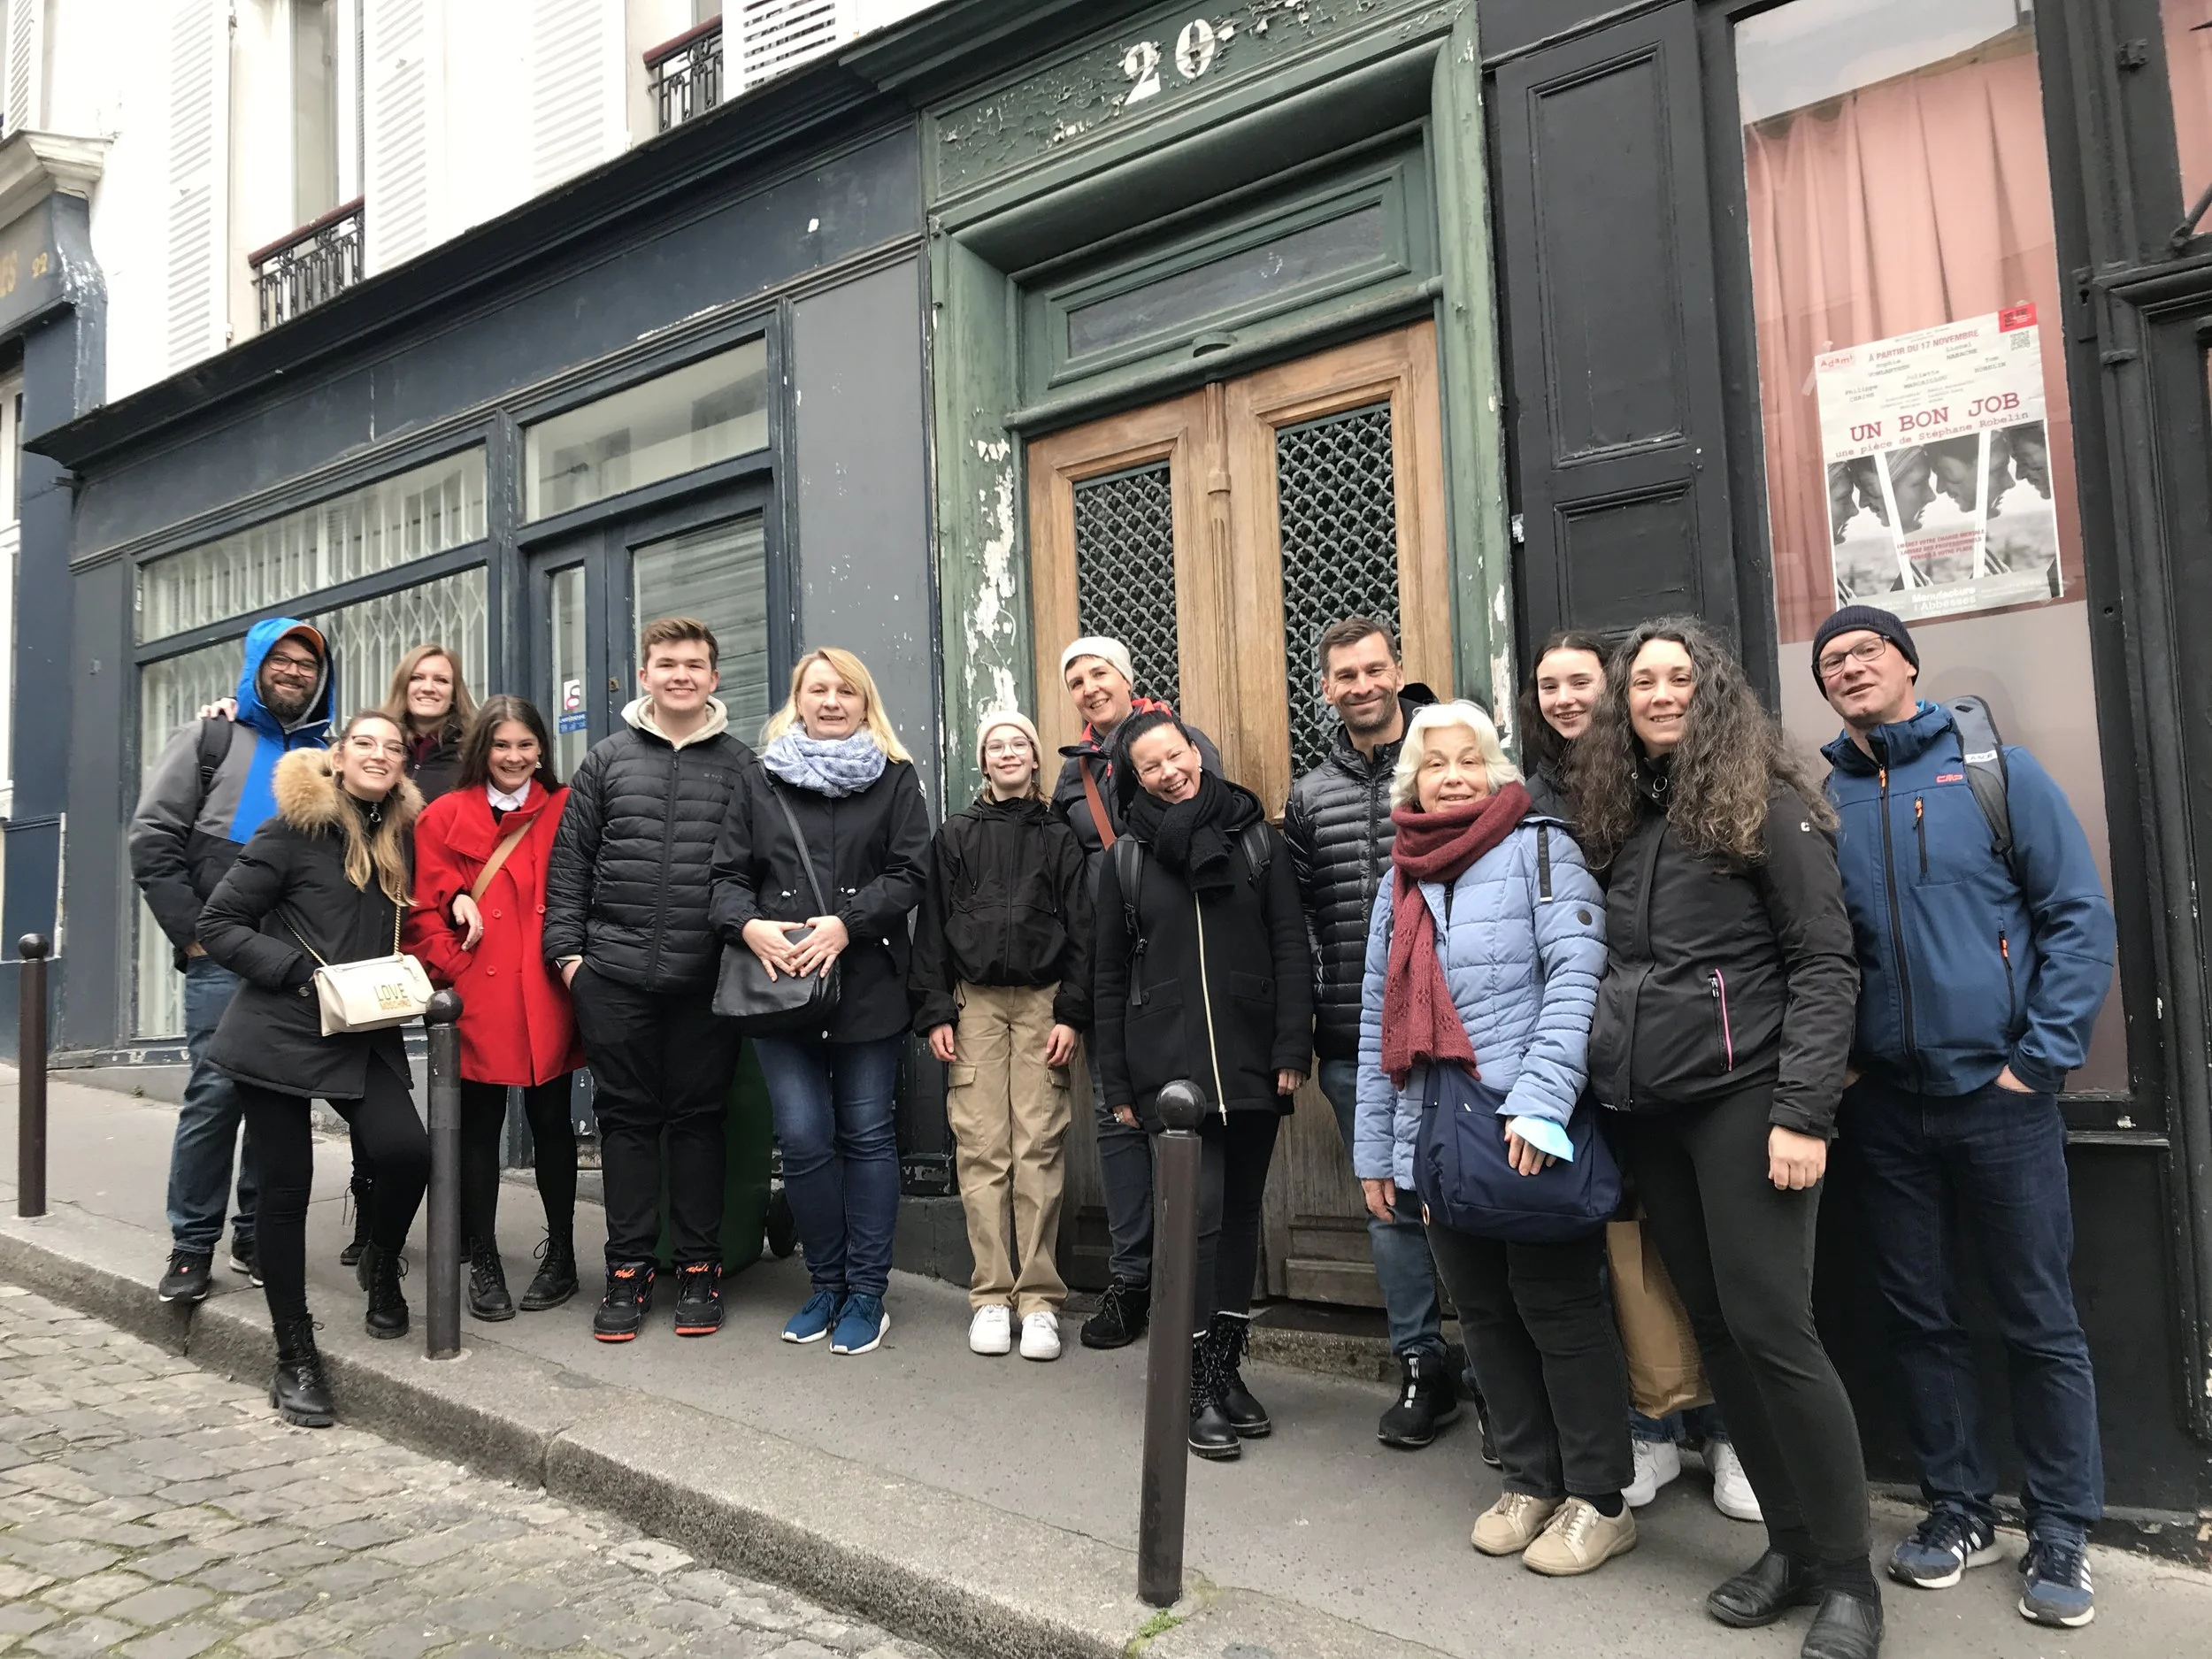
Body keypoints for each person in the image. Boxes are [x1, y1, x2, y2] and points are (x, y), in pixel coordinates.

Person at [1570, 617, 1880, 1659]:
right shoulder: (1625, 813)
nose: (1659, 693)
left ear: (1712, 692)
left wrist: (1802, 1114)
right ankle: (1788, 1548)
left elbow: (1826, 967)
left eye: (1678, 677)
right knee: (1717, 1330)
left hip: (1750, 1103)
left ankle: (1849, 1580)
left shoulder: (1768, 803)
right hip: (1655, 1110)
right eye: (1643, 681)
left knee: (1774, 1331)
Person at [1813, 606, 2115, 1630]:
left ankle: (2063, 1524)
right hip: (1888, 1108)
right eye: (1831, 663)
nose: (1848, 669)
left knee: (2038, 1317)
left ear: (1905, 664)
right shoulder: (1826, 802)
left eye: (1864, 653)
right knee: (1920, 1316)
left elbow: (2076, 915)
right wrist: (1845, 1064)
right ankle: (1955, 1508)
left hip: (2000, 1097)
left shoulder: (1994, 772)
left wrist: (2040, 1060)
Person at [1355, 701, 1629, 1573]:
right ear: (1413, 780)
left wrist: (1541, 1103)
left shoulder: (1540, 847)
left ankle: (1599, 1498)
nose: (1453, 776)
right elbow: (1377, 1026)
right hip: (1437, 1130)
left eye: (1467, 760)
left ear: (1496, 767)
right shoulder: (1399, 875)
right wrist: (1380, 1154)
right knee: (1482, 1313)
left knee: (1560, 1309)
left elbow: (1577, 979)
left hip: (1521, 1122)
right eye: (1434, 764)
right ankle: (1529, 1477)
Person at [1522, 630, 1762, 1525]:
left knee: (1714, 1265)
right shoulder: (1541, 795)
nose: (1563, 696)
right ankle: (1652, 1427)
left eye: (1579, 680)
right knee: (1624, 1254)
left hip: (1707, 1064)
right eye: (1547, 685)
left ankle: (1732, 1435)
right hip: (1598, 1060)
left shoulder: (1703, 787)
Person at [195, 713, 432, 1425]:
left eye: (394, 747)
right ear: (338, 756)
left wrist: (454, 900)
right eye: (366, 742)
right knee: (285, 1191)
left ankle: (380, 1261)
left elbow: (423, 903)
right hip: (280, 1026)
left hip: (361, 1025)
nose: (381, 754)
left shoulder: (400, 836)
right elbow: (218, 924)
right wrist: (295, 972)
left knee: (408, 1153)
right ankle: (293, 1351)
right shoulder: (291, 831)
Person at [1091, 710, 1311, 1460]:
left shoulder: (1255, 837)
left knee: (1241, 1218)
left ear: (1197, 752)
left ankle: (1225, 1371)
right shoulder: (1122, 859)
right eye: (1149, 766)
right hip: (1167, 1070)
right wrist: (1114, 1077)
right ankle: (1189, 1382)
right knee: (1198, 1219)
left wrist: (1292, 1042)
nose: (1168, 772)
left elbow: (1289, 942)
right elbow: (1109, 975)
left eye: (1175, 754)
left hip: (1252, 1056)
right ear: (1136, 777)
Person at [711, 648, 931, 1358]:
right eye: (817, 689)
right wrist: (749, 925)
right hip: (780, 985)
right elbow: (724, 879)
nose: (831, 700)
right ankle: (826, 1282)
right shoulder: (759, 778)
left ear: (865, 703)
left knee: (867, 1135)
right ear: (796, 701)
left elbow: (911, 872)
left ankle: (868, 1291)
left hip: (866, 982)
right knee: (804, 1140)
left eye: (845, 690)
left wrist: (848, 922)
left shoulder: (896, 780)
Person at [545, 618, 751, 1342]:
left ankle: (699, 1266)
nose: (681, 675)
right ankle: (628, 1270)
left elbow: (755, 871)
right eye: (667, 664)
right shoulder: (605, 761)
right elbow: (569, 865)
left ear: (713, 677)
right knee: (627, 1123)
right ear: (645, 675)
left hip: (705, 979)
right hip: (616, 976)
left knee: (699, 1123)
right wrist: (572, 962)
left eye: (694, 664)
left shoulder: (739, 765)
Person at [1283, 618, 1459, 1448]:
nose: (1360, 685)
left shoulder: (1442, 763)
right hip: (1353, 1035)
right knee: (1388, 1207)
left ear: (1398, 671)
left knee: (1467, 1199)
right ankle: (1422, 1365)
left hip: (1452, 1032)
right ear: (1326, 689)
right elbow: (1301, 922)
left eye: (1372, 669)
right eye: (1344, 675)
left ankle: (1497, 1372)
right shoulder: (1309, 794)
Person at [129, 618, 333, 1305]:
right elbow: (152, 837)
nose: (296, 671)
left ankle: (254, 1234)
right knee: (215, 1097)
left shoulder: (324, 754)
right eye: (282, 658)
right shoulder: (208, 737)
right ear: (255, 665)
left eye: (308, 662)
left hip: (292, 959)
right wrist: (192, 933)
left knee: (277, 1099)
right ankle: (191, 1245)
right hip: (221, 954)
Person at [1051, 637, 1225, 1350]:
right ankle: (1132, 1278)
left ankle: (1190, 1280)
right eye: (1077, 680)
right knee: (1117, 1121)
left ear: (1127, 679)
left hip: (1183, 957)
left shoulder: (1183, 744)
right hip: (1109, 963)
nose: (1089, 687)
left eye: (1099, 674)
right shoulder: (1072, 775)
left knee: (1179, 1118)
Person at [910, 709, 1091, 1363]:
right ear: (983, 761)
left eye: (1020, 743)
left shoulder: (1062, 835)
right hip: (975, 1002)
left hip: (1043, 1001)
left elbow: (1084, 925)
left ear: (1036, 759)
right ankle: (991, 1294)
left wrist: (1072, 1009)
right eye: (997, 745)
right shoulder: (956, 834)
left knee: (1039, 1143)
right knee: (983, 1147)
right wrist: (934, 1009)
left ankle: (1039, 1299)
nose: (1009, 752)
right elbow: (930, 925)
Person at [403, 696, 586, 1322]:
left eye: (526, 746)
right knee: (477, 1131)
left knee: (554, 1127)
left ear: (542, 749)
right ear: (482, 749)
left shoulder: (565, 807)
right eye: (502, 745)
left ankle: (560, 1251)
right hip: (476, 996)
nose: (514, 757)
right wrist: (453, 966)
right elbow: (420, 911)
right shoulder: (443, 814)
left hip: (547, 990)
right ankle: (482, 1256)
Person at [381, 642, 476, 803]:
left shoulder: (474, 750)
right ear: (403, 686)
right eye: (417, 678)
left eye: (441, 680)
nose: (428, 688)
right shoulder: (377, 746)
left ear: (454, 692)